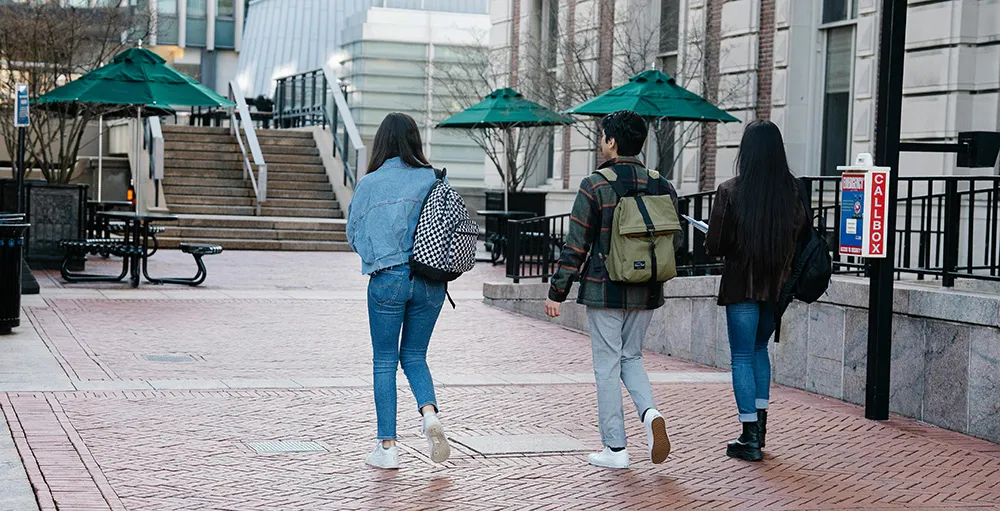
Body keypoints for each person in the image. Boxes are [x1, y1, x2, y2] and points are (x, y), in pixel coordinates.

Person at [544, 110, 682, 469]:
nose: (601, 142)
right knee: (631, 357)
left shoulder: (596, 185)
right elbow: (673, 240)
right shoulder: (662, 185)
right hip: (648, 289)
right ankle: (650, 413)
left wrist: (557, 292)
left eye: (603, 136)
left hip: (605, 289)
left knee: (607, 365)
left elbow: (575, 246)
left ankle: (615, 449)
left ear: (612, 141)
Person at [346, 113, 451, 470]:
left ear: (382, 143)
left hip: (388, 277)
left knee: (385, 361)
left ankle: (388, 448)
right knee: (416, 355)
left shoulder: (370, 183)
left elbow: (354, 234)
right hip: (432, 280)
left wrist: (377, 255)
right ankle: (428, 413)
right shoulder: (432, 178)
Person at [705, 120, 809, 462]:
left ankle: (748, 436)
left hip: (741, 287)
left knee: (741, 357)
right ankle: (760, 432)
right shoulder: (793, 190)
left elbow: (715, 245)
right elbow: (801, 234)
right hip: (777, 289)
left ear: (745, 152)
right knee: (760, 350)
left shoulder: (731, 190)